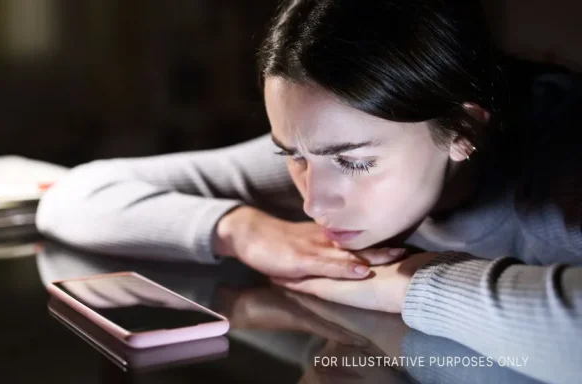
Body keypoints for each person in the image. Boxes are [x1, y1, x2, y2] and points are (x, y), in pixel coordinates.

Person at [37, 0, 581, 382]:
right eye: (291, 155)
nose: (313, 203)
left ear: (462, 132)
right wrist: (244, 230)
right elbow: (76, 196)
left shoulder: (561, 174)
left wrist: (408, 286)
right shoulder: (341, 135)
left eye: (352, 161)